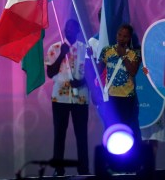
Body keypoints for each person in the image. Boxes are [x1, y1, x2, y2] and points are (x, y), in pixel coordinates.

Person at [45, 19, 89, 176]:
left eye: (72, 28)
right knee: (59, 133)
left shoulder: (85, 49)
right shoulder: (55, 48)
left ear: (77, 30)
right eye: (67, 28)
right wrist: (61, 55)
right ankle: (59, 168)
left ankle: (84, 169)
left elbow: (91, 73)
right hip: (60, 98)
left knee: (81, 134)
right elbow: (50, 73)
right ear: (63, 30)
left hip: (80, 97)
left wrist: (82, 81)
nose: (68, 30)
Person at [97, 23, 142, 143]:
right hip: (111, 97)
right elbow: (98, 69)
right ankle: (110, 155)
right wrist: (92, 56)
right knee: (110, 128)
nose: (121, 38)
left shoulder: (135, 54)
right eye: (119, 35)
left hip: (127, 98)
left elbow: (133, 72)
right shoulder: (107, 51)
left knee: (125, 129)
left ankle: (125, 155)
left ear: (129, 38)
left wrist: (123, 56)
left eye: (125, 36)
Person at [141, 66, 165, 159]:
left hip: (156, 93)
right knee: (139, 136)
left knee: (153, 138)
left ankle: (150, 167)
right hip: (140, 88)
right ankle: (137, 168)